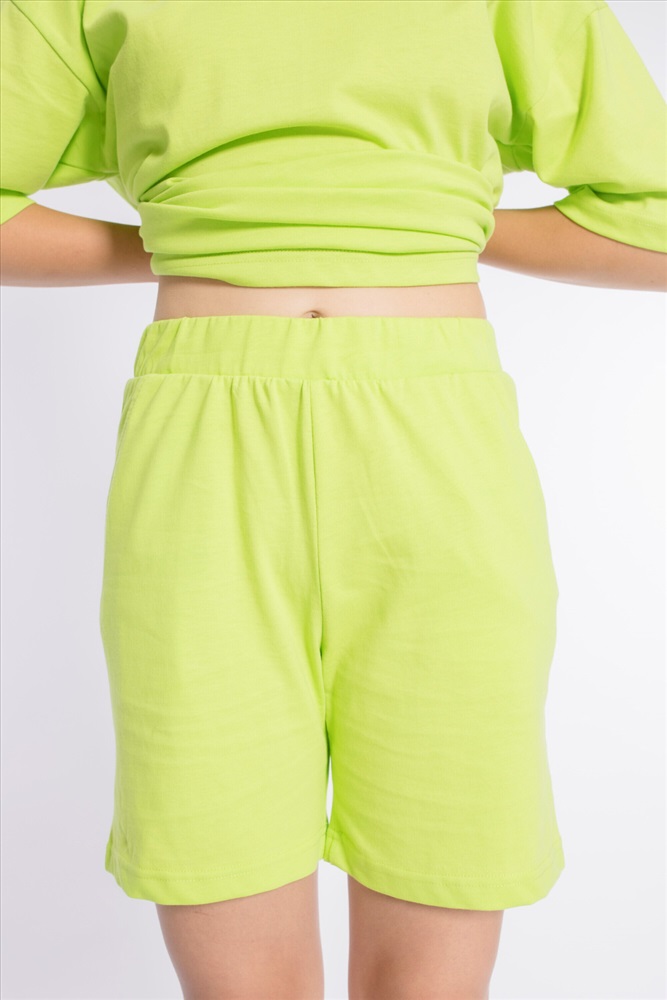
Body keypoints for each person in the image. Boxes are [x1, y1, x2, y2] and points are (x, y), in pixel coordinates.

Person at [1, 1, 665, 997]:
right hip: (201, 440)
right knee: (213, 855)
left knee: (443, 863)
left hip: (435, 437)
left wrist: (437, 224)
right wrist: (202, 237)